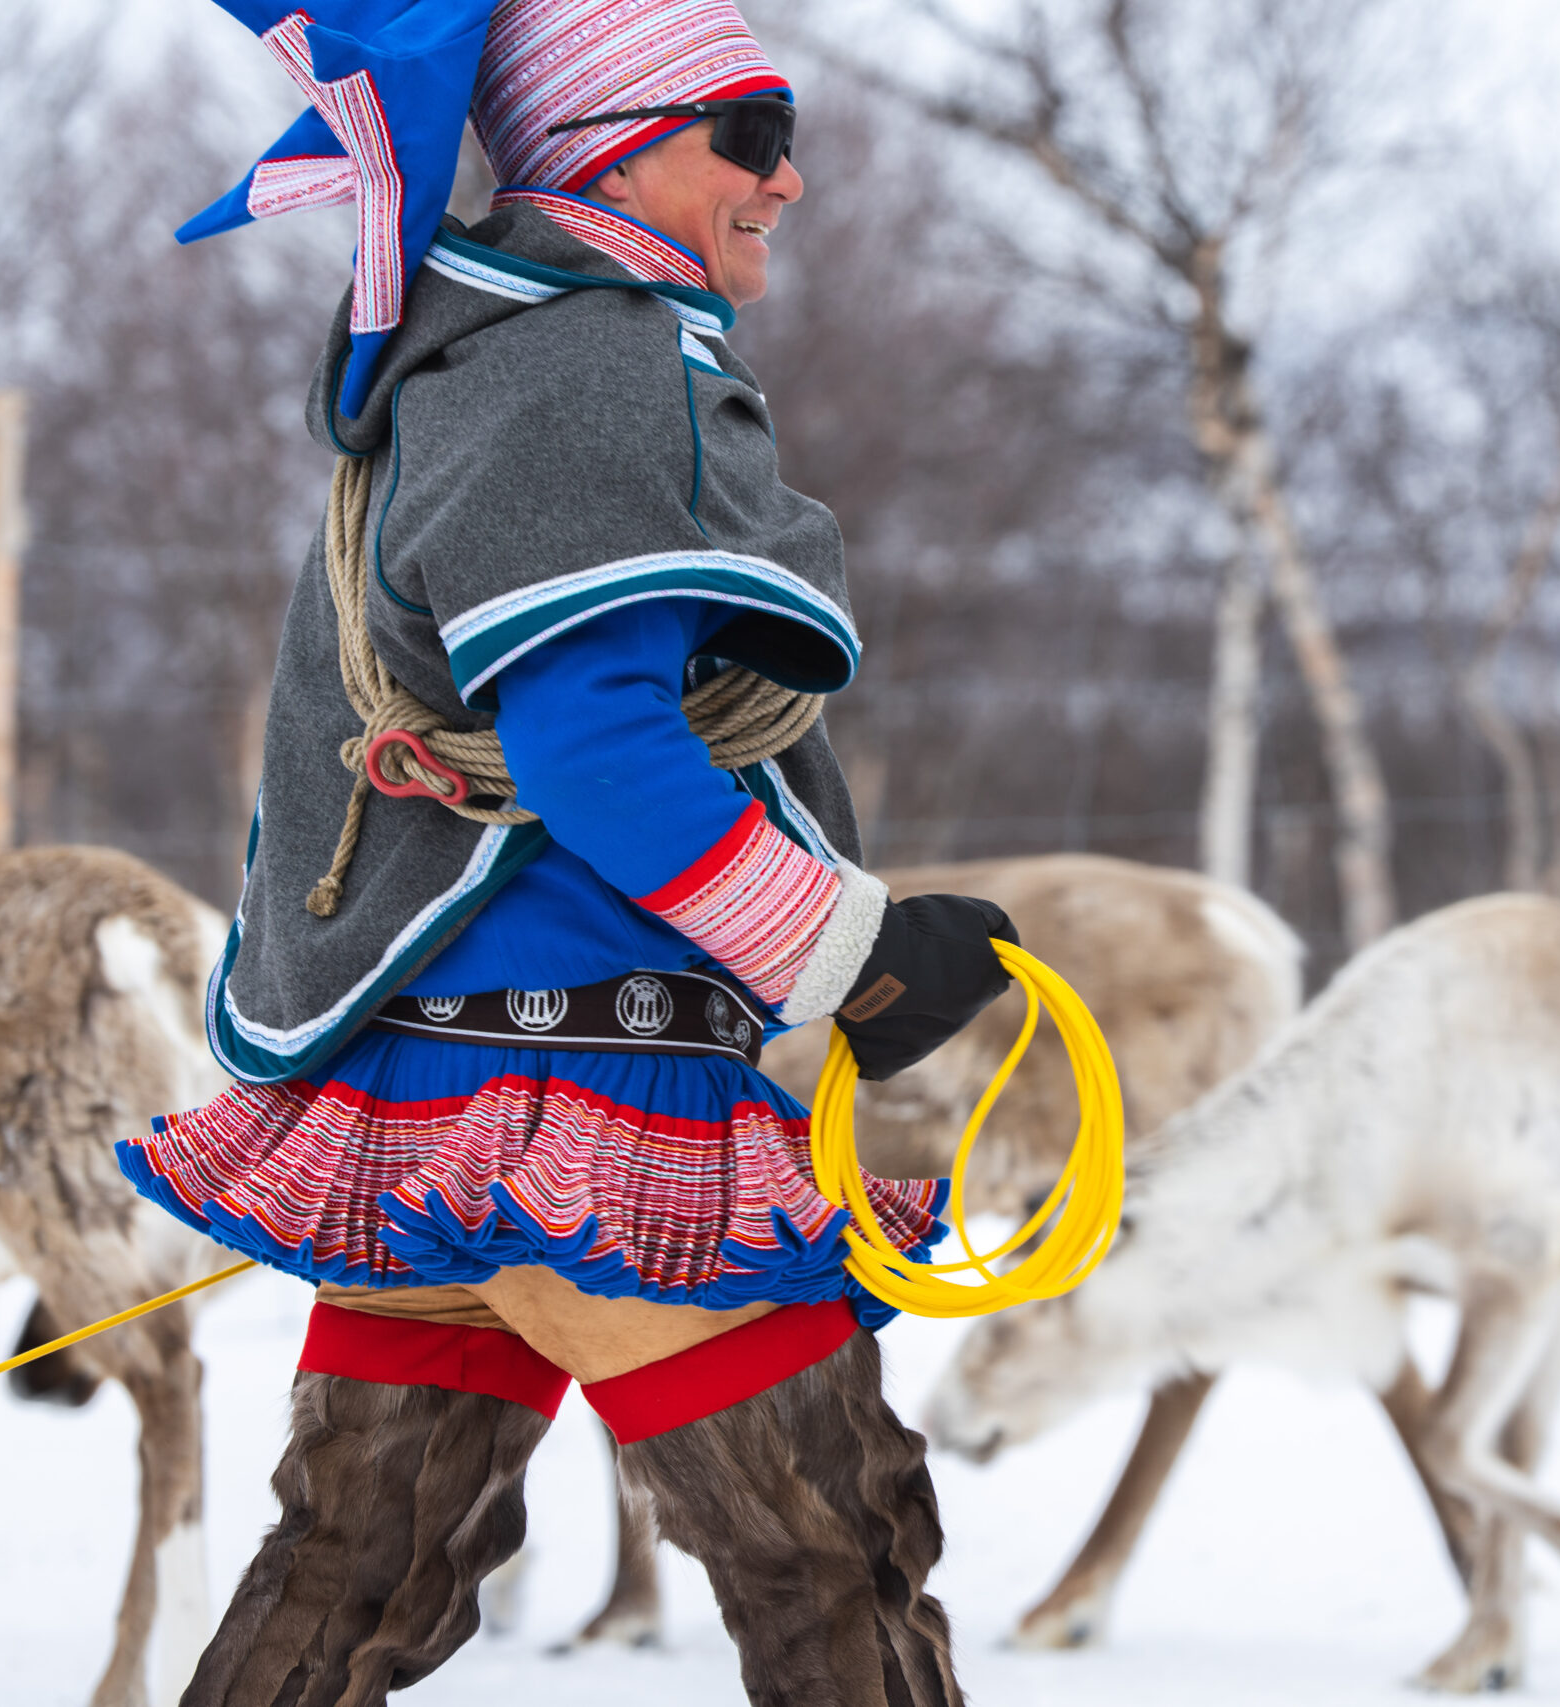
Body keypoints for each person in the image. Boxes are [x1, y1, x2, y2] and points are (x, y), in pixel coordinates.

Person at [119, 3, 1011, 1701]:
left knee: (356, 1565)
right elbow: (597, 754)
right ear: (615, 145)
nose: (791, 179)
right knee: (838, 1544)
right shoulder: (584, 360)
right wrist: (853, 954)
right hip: (593, 1103)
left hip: (437, 1104)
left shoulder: (490, 354)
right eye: (749, 137)